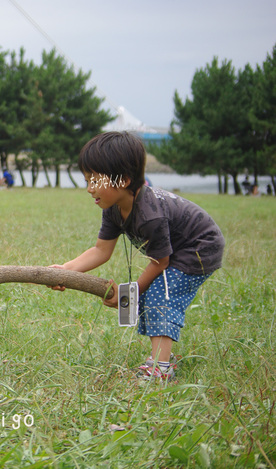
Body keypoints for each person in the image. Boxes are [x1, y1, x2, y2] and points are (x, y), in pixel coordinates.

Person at [49, 132, 225, 381]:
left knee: (161, 295)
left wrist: (130, 292)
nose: (89, 189)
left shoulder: (150, 214)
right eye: (87, 180)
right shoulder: (112, 209)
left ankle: (160, 368)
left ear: (124, 181)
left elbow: (161, 262)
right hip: (175, 249)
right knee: (151, 294)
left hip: (200, 247)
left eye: (95, 181)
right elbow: (101, 250)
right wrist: (65, 270)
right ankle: (162, 359)